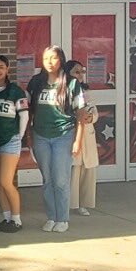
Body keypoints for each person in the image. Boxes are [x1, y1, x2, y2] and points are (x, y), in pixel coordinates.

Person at [26, 46, 86, 233]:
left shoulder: (71, 83)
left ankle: (62, 218)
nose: (49, 62)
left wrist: (77, 141)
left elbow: (81, 114)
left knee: (60, 179)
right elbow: (28, 111)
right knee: (47, 179)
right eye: (45, 59)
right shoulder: (36, 82)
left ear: (61, 59)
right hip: (40, 136)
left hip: (64, 135)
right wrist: (28, 136)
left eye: (53, 58)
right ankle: (51, 217)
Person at [0, 55, 29, 233]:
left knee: (6, 181)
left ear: (7, 69)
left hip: (9, 141)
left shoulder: (15, 91)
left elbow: (24, 115)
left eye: (1, 67)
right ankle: (7, 217)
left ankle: (17, 220)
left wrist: (18, 136)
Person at [66, 60, 99, 217]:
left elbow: (94, 112)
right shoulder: (65, 91)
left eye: (81, 72)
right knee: (74, 170)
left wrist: (91, 117)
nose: (80, 75)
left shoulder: (87, 92)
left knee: (88, 171)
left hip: (88, 134)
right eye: (76, 72)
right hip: (73, 134)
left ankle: (84, 204)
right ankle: (70, 203)